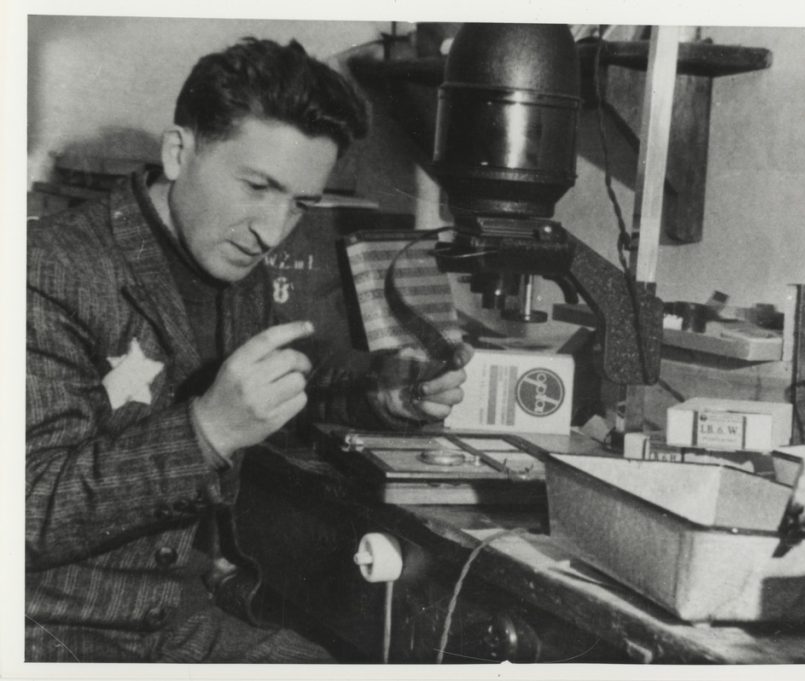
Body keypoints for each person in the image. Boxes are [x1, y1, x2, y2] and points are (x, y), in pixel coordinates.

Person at [25, 37, 473, 663]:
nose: (271, 230)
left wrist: (383, 390)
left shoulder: (237, 268)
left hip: (181, 623)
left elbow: (291, 378)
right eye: (258, 186)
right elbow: (26, 512)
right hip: (53, 637)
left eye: (300, 204)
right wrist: (206, 432)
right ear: (179, 151)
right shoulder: (47, 270)